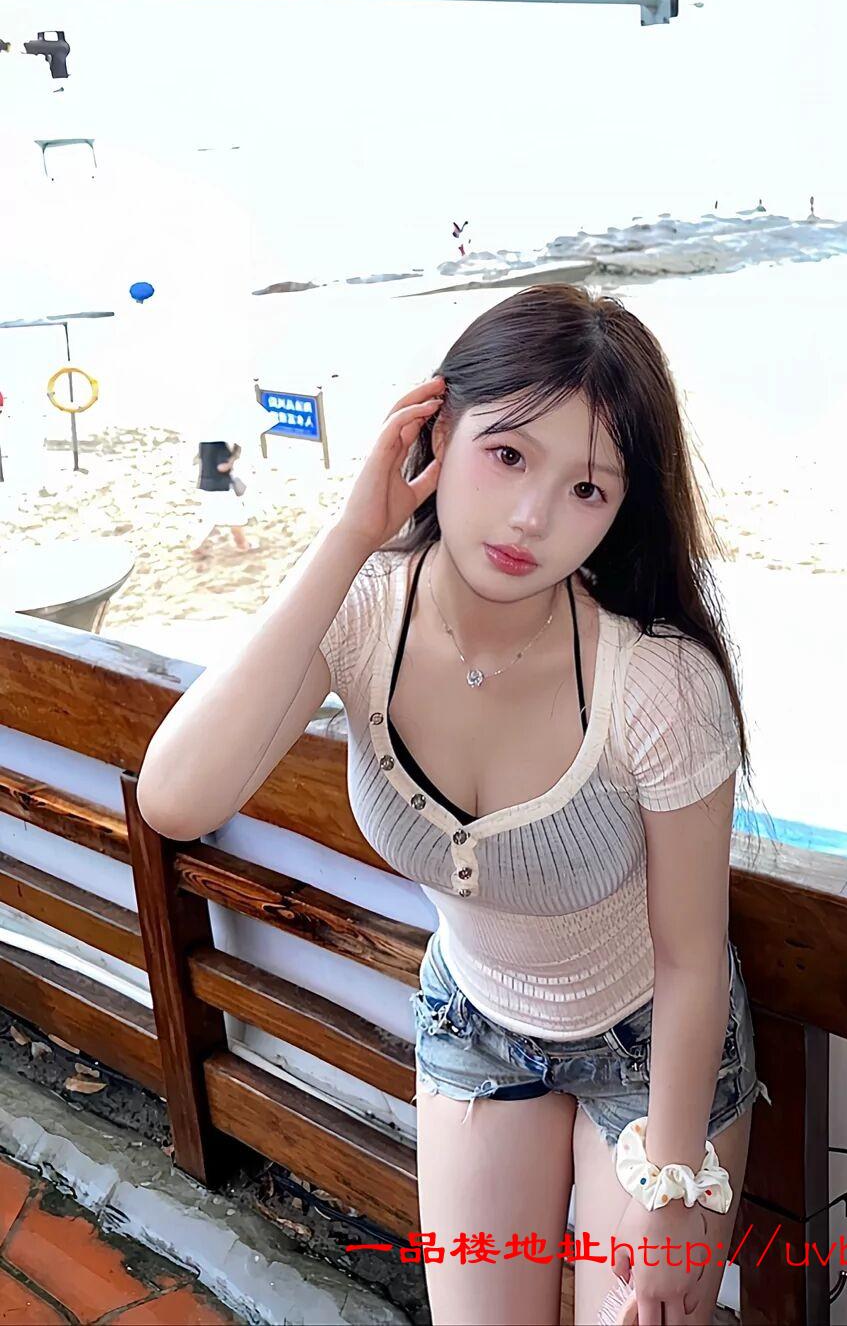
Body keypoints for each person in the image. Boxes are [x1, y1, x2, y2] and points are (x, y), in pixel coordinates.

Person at [138, 285, 768, 1326]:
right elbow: (175, 795)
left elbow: (691, 958)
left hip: (653, 1048)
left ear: (622, 509)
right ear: (434, 433)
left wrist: (673, 1185)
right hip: (475, 1020)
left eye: (586, 488)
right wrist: (352, 532)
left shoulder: (658, 684)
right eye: (507, 454)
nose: (531, 518)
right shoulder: (365, 611)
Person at [189, 439, 253, 559]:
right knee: (236, 518)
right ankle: (242, 544)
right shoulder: (220, 445)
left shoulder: (204, 443)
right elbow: (222, 467)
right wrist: (233, 458)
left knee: (211, 519)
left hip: (205, 484)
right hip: (220, 487)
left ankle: (197, 547)